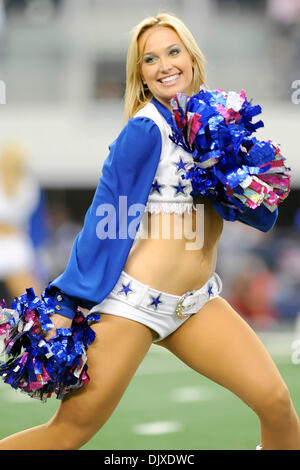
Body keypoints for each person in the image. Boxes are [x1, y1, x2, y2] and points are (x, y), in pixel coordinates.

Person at [0, 12, 299, 451]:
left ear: (192, 58)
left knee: (275, 402)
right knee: (69, 433)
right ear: (140, 73)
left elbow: (261, 215)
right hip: (137, 302)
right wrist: (65, 301)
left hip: (197, 304)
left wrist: (243, 178)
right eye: (150, 59)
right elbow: (108, 217)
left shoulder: (218, 125)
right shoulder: (145, 129)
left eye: (173, 52)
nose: (165, 65)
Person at [0, 142, 43, 299]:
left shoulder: (27, 184)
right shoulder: (28, 184)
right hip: (16, 243)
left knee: (32, 300)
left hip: (15, 246)